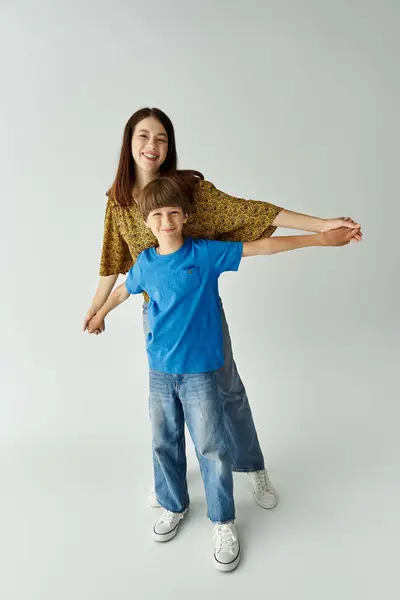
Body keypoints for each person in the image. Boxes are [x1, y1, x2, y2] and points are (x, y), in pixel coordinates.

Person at [83, 107, 362, 511]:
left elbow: (251, 213)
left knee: (228, 390)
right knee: (165, 408)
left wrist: (320, 227)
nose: (152, 146)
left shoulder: (188, 192)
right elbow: (114, 261)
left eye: (161, 138)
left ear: (169, 146)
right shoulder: (119, 201)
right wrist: (97, 309)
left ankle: (251, 467)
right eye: (143, 136)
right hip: (158, 321)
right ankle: (170, 483)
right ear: (129, 142)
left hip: (202, 315)